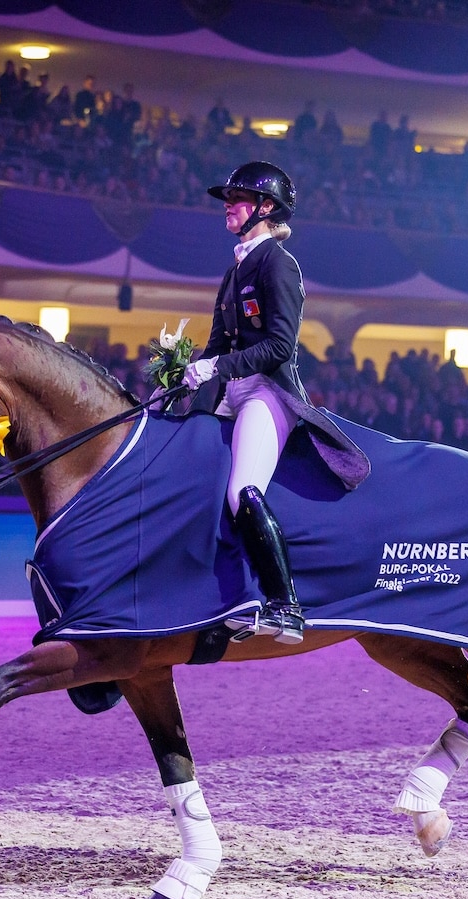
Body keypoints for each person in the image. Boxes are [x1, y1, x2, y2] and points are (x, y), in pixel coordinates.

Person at [187, 161, 309, 643]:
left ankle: (285, 606)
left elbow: (281, 345)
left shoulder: (278, 263)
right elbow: (219, 344)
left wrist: (216, 369)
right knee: (197, 483)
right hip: (233, 389)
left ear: (265, 208)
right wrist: (181, 377)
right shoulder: (235, 269)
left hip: (268, 390)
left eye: (237, 199)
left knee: (243, 491)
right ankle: (229, 597)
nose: (227, 206)